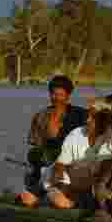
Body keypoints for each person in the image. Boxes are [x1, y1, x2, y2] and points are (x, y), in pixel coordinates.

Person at [19, 75, 88, 206]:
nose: (56, 98)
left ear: (68, 96)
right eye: (53, 95)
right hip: (47, 168)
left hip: (73, 168)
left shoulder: (81, 115)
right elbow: (37, 148)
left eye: (61, 95)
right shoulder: (40, 116)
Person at [45, 99, 112, 210]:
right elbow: (60, 166)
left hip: (95, 189)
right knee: (59, 200)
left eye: (92, 118)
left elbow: (105, 173)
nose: (87, 120)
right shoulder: (76, 134)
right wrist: (61, 184)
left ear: (103, 122)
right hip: (67, 188)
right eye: (88, 116)